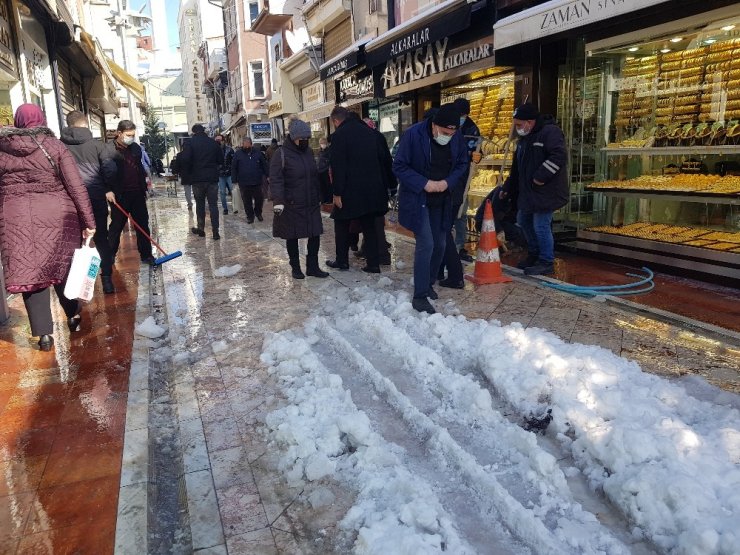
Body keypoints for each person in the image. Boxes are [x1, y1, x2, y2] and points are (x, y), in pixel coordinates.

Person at [0, 104, 96, 351]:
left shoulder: (2, 149)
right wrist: (89, 222)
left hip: (16, 217)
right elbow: (76, 186)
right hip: (58, 216)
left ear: (18, 121)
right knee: (63, 269)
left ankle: (43, 335)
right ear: (41, 119)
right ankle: (73, 316)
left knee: (29, 275)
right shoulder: (53, 146)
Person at [393, 103, 468, 314]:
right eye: (445, 132)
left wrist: (448, 182)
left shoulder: (456, 136)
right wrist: (423, 183)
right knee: (426, 243)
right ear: (434, 125)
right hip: (419, 198)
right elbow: (399, 165)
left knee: (441, 244)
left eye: (453, 133)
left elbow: (463, 163)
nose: (449, 136)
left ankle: (428, 282)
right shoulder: (413, 135)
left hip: (442, 198)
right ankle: (420, 295)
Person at [500, 103, 568, 275]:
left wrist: (540, 177)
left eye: (519, 124)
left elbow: (559, 156)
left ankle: (546, 261)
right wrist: (508, 187)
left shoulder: (549, 132)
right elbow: (517, 168)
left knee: (541, 225)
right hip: (528, 192)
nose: (517, 128)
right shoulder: (524, 140)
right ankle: (534, 253)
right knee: (523, 221)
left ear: (530, 122)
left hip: (546, 191)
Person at [326, 106, 390, 273]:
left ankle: (342, 261)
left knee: (341, 224)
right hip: (372, 190)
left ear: (336, 121)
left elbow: (338, 166)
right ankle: (373, 264)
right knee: (369, 226)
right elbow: (384, 161)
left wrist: (337, 192)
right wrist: (388, 186)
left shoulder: (339, 135)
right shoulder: (371, 133)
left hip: (349, 191)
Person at [60, 110, 118, 294]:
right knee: (101, 238)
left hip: (69, 202)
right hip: (95, 198)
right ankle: (106, 279)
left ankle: (78, 284)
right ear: (86, 124)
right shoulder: (98, 146)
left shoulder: (59, 147)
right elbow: (110, 170)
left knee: (75, 242)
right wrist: (106, 187)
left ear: (68, 125)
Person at [270, 118, 329, 280]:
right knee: (292, 236)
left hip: (310, 202)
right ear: (293, 137)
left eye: (307, 138)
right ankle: (295, 267)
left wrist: (320, 195)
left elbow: (314, 175)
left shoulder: (309, 152)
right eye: (301, 138)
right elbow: (276, 179)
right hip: (291, 203)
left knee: (314, 234)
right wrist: (278, 201)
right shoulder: (280, 154)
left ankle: (313, 267)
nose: (304, 141)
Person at [107, 120, 156, 265]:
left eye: (133, 135)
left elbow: (139, 169)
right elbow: (104, 172)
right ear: (119, 133)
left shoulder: (135, 148)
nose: (131, 138)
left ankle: (146, 255)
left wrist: (145, 187)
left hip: (137, 193)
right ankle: (109, 258)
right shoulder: (108, 149)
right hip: (119, 195)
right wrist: (107, 190)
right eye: (128, 135)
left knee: (143, 225)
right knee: (116, 227)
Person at [180, 124, 223, 240]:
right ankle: (215, 232)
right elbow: (221, 160)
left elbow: (185, 159)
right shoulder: (213, 143)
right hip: (212, 179)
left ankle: (201, 229)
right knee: (213, 205)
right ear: (204, 131)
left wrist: (189, 172)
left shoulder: (190, 143)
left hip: (197, 179)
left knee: (200, 204)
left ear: (193, 132)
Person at [452, 97, 481, 262]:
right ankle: (445, 244)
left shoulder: (472, 128)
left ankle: (459, 246)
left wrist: (475, 155)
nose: (461, 117)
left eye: (464, 114)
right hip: (445, 176)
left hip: (462, 177)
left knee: (461, 212)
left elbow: (474, 150)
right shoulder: (447, 124)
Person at [231, 136, 268, 223]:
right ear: (242, 144)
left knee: (259, 199)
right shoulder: (238, 154)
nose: (247, 146)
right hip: (244, 182)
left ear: (251, 144)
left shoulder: (258, 153)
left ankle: (258, 212)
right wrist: (234, 180)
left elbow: (264, 165)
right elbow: (234, 167)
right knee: (247, 201)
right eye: (245, 144)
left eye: (248, 144)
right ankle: (250, 216)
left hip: (257, 181)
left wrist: (268, 175)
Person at [214, 133, 234, 215]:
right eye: (217, 140)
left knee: (233, 191)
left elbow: (234, 161)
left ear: (223, 141)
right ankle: (225, 208)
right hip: (220, 175)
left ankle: (235, 206)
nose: (219, 142)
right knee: (222, 192)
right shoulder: (213, 151)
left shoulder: (230, 149)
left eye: (220, 140)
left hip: (229, 174)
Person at [316, 136, 331, 204]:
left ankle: (329, 199)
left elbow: (329, 161)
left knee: (327, 185)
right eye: (321, 143)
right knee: (321, 186)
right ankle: (323, 199)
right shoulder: (319, 151)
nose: (322, 144)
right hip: (319, 171)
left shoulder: (329, 151)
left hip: (326, 170)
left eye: (323, 143)